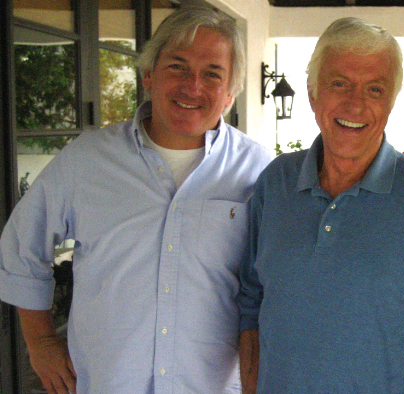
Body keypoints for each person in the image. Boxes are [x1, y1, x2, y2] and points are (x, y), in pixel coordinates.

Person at [0, 5, 272, 393]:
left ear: (229, 93)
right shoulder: (87, 159)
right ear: (148, 74)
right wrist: (40, 343)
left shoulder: (259, 172)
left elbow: (275, 285)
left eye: (212, 74)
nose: (192, 86)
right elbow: (21, 246)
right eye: (177, 66)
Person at [236, 17, 404, 394]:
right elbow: (251, 300)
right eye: (339, 84)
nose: (355, 103)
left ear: (391, 102)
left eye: (375, 89)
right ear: (313, 91)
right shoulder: (275, 183)